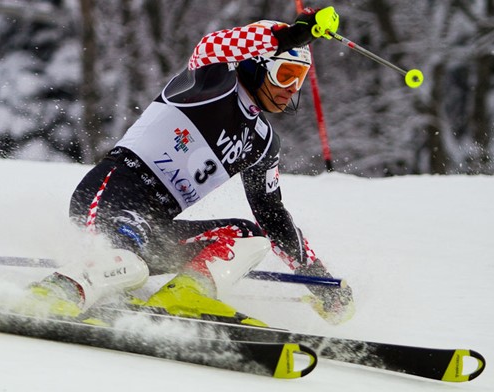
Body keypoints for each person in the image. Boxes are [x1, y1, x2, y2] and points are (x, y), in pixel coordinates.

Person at [27, 6, 354, 326]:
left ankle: (185, 295)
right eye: (285, 75)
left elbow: (273, 216)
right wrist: (288, 36)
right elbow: (213, 45)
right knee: (130, 264)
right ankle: (54, 293)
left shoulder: (262, 143)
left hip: (156, 228)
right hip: (112, 195)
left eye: (298, 80)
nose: (290, 90)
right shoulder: (212, 82)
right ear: (255, 65)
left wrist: (317, 278)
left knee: (249, 237)